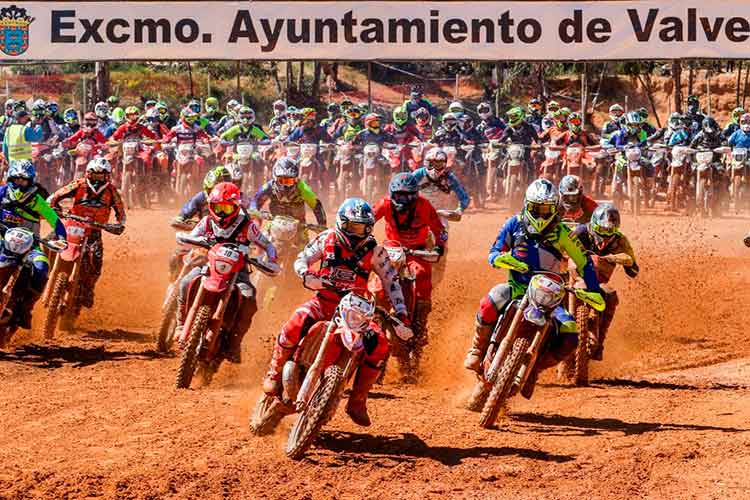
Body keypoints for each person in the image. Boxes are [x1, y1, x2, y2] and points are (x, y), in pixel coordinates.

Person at [261, 198, 407, 426]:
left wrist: (400, 310)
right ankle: (274, 371)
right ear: (342, 223)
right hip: (324, 303)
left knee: (380, 344)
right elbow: (302, 258)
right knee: (295, 322)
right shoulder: (326, 238)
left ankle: (358, 400)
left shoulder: (376, 251)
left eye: (362, 227)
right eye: (352, 227)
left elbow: (392, 282)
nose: (357, 233)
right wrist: (306, 275)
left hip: (356, 312)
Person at [464, 179, 602, 399]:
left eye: (546, 210)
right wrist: (501, 259)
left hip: (550, 298)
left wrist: (593, 289)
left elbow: (584, 262)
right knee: (490, 300)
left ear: (555, 209)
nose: (540, 215)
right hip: (517, 289)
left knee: (570, 334)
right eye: (536, 209)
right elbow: (494, 250)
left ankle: (535, 368)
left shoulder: (562, 233)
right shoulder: (513, 224)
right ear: (527, 205)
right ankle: (477, 349)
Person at [177, 182, 277, 363]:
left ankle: (234, 342)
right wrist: (190, 240)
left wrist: (271, 259)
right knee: (186, 282)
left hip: (238, 271)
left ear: (236, 206)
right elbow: (193, 235)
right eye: (218, 207)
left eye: (226, 207)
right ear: (211, 206)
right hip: (211, 266)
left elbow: (267, 244)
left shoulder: (247, 225)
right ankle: (180, 324)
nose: (222, 212)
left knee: (249, 297)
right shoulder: (207, 220)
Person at [373, 173, 446, 378]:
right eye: (399, 195)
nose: (403, 200)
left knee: (422, 276)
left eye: (408, 196)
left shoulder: (424, 206)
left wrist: (440, 247)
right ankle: (376, 315)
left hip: (418, 250)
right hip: (392, 248)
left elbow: (439, 229)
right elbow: (368, 218)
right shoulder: (384, 204)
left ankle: (420, 326)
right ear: (391, 194)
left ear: (415, 195)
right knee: (379, 283)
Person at [47, 158, 125, 314]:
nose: (97, 179)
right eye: (94, 175)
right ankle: (43, 272)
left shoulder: (111, 191)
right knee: (47, 241)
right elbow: (54, 197)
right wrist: (56, 208)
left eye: (100, 176)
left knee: (96, 260)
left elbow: (121, 214)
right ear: (88, 174)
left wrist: (119, 225)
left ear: (107, 176)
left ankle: (89, 289)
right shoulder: (78, 184)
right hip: (71, 225)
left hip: (94, 230)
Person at [0, 160, 66, 329]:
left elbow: (55, 221)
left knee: (42, 268)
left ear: (31, 181)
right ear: (10, 179)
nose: (20, 184)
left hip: (31, 246)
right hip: (2, 241)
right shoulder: (2, 192)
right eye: (17, 180)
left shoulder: (37, 200)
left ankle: (26, 308)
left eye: (24, 181)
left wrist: (62, 238)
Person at [572, 204, 638, 360]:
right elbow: (560, 247)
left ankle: (600, 342)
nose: (605, 235)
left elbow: (633, 269)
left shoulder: (620, 241)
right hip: (573, 277)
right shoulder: (581, 232)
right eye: (601, 230)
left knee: (612, 296)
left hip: (599, 283)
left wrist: (619, 259)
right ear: (594, 224)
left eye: (610, 231)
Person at [251, 157, 327, 230]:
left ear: (296, 179)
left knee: (303, 242)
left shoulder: (303, 188)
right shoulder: (268, 187)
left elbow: (317, 206)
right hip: (274, 223)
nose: (285, 185)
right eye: (282, 180)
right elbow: (255, 201)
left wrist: (322, 226)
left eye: (289, 181)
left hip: (299, 226)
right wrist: (257, 215)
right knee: (265, 239)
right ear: (275, 178)